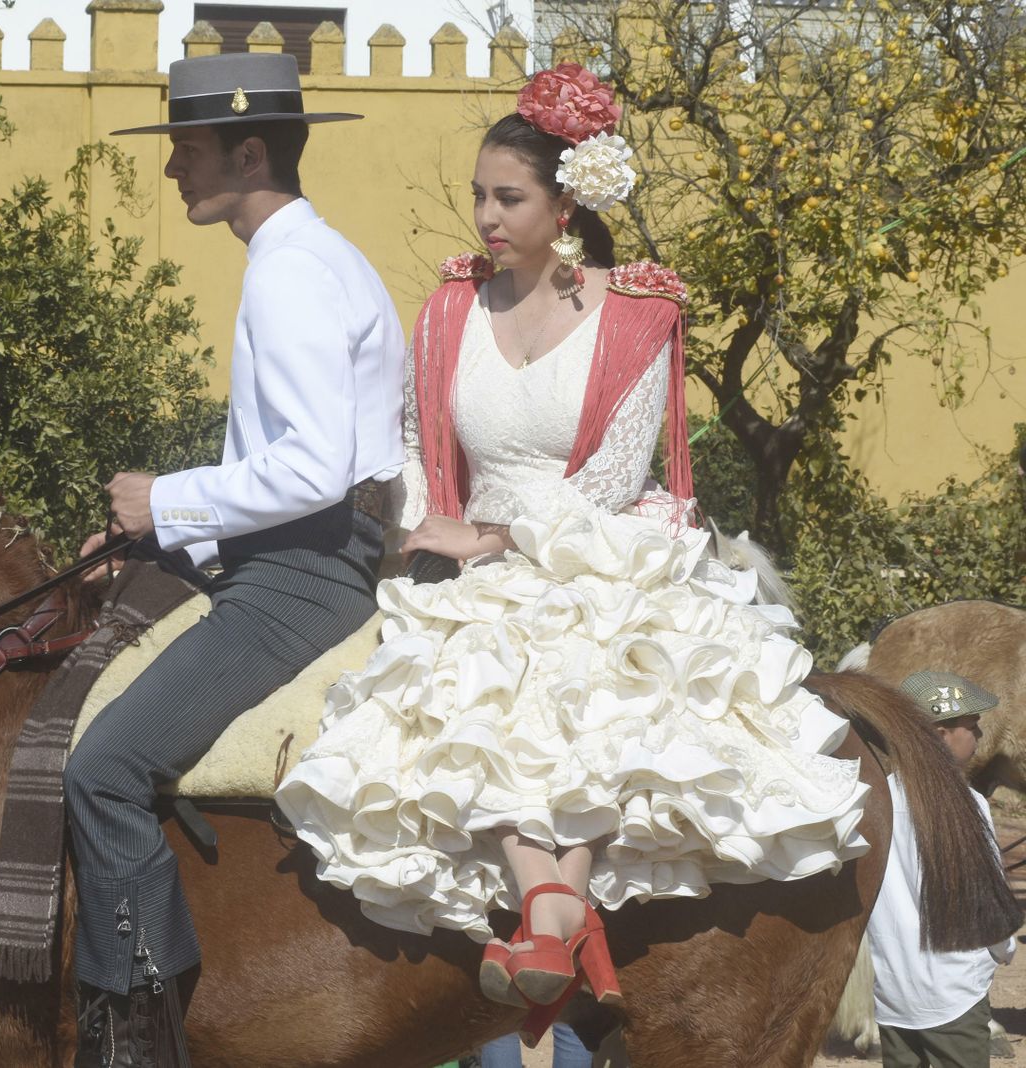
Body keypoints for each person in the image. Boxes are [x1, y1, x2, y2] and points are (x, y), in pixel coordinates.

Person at [275, 63, 870, 1044]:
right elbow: (426, 449)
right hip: (472, 560)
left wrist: (495, 538)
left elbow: (609, 481)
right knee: (462, 684)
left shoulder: (635, 315)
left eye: (507, 197)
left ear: (566, 203)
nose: (485, 216)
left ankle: (555, 911)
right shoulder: (448, 311)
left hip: (598, 548)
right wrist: (431, 526)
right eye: (478, 195)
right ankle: (552, 913)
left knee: (593, 677)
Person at [60, 52, 405, 1066]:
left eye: (188, 148)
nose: (174, 169)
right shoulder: (315, 258)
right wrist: (157, 531)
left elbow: (308, 471)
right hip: (286, 554)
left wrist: (162, 496)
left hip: (302, 577)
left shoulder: (291, 272)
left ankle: (139, 1029)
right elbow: (285, 469)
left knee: (104, 766)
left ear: (248, 152)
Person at [868, 671, 1015, 1068]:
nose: (980, 736)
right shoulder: (967, 804)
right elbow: (981, 900)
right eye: (972, 726)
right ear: (941, 733)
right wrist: (1005, 949)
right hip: (954, 991)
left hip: (894, 990)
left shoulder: (875, 801)